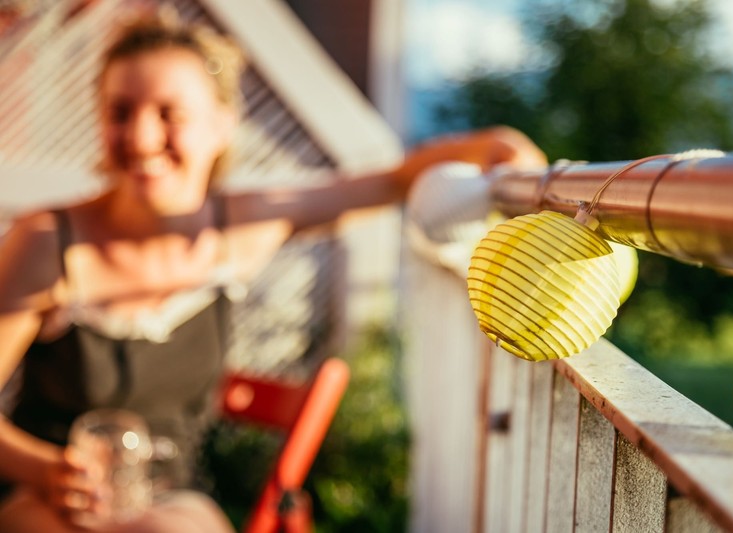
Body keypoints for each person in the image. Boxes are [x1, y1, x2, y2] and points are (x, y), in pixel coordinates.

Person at [0, 12, 547, 533]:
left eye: (169, 114)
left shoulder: (239, 226)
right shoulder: (47, 242)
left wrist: (491, 147)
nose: (142, 137)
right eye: (121, 111)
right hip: (40, 496)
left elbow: (388, 184)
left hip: (171, 500)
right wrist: (45, 469)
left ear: (221, 126)